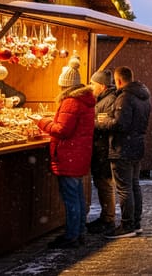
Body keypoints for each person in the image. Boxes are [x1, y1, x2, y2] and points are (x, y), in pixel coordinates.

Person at [34, 57, 96, 249]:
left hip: (69, 155)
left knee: (71, 198)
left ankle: (71, 236)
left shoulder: (71, 102)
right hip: (77, 155)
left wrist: (41, 121)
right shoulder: (84, 100)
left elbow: (62, 130)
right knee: (76, 196)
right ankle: (79, 232)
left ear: (65, 86)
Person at [103, 66, 151, 239]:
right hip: (137, 145)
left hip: (122, 147)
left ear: (118, 80)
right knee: (134, 185)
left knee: (124, 188)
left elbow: (120, 124)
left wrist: (103, 122)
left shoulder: (125, 97)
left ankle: (127, 224)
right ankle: (135, 222)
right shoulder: (143, 95)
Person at [87, 70, 117, 234]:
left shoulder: (108, 100)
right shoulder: (103, 99)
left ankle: (108, 218)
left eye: (93, 84)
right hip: (100, 147)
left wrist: (90, 122)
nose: (91, 87)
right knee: (102, 183)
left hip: (104, 148)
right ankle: (106, 216)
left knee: (104, 183)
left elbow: (104, 123)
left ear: (102, 85)